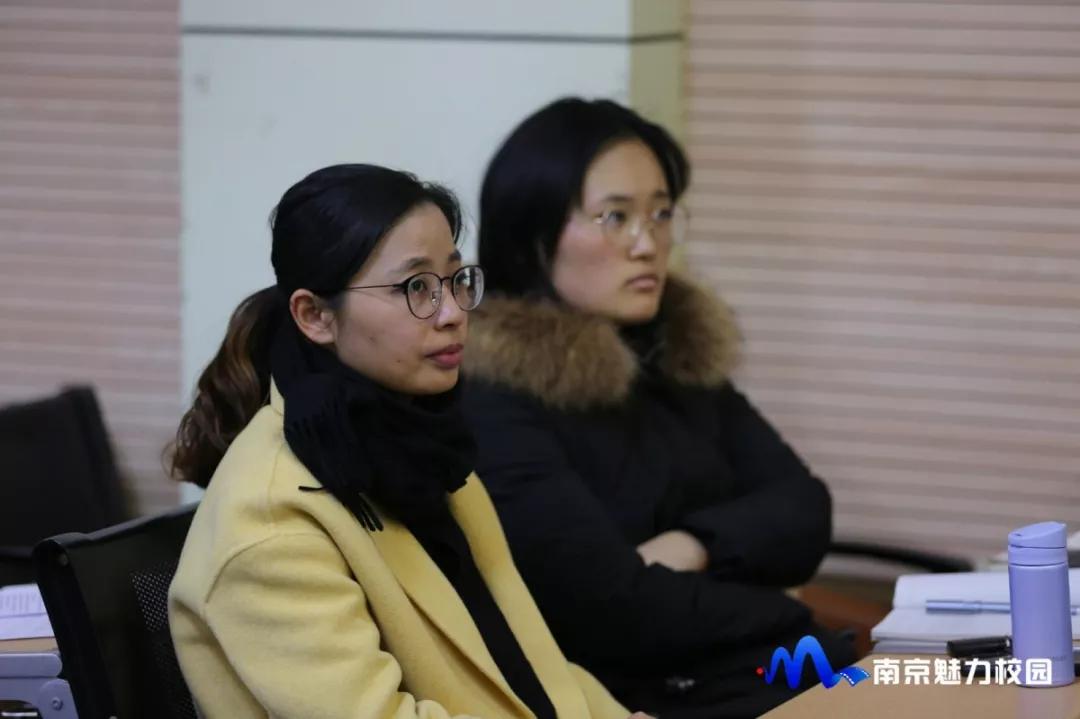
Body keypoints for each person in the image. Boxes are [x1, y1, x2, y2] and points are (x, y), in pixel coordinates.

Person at [167, 164, 640, 719]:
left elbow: (535, 668)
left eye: (455, 280)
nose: (452, 314)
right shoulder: (270, 524)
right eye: (415, 287)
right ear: (315, 315)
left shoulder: (420, 449)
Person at [461, 98, 857, 718]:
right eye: (614, 217)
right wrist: (777, 604)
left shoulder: (671, 353)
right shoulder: (496, 399)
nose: (648, 243)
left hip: (767, 666)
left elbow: (805, 509)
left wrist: (693, 543)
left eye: (662, 212)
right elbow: (613, 610)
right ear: (531, 236)